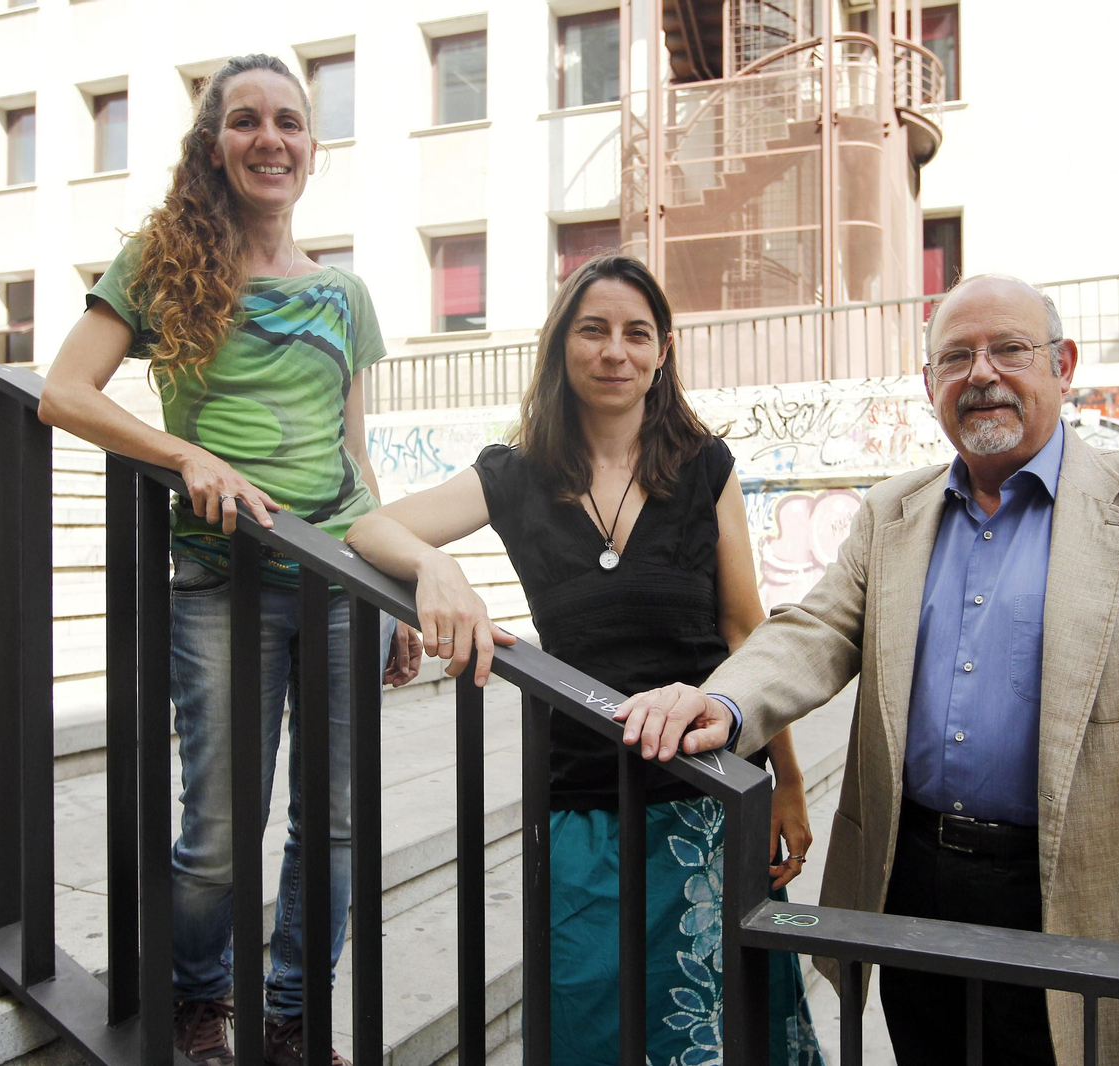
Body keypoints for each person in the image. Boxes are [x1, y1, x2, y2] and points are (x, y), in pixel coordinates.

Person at [614, 274, 1119, 1066]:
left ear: (1063, 364)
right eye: (955, 357)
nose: (982, 374)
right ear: (929, 384)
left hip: (1082, 900)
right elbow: (816, 629)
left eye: (1010, 350)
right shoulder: (892, 511)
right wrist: (724, 699)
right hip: (915, 889)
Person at [37, 54, 422, 1066]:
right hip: (221, 585)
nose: (270, 139)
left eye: (289, 123)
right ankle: (197, 1003)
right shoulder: (165, 266)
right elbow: (65, 392)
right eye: (245, 121)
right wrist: (183, 454)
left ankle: (293, 1022)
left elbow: (353, 456)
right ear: (215, 144)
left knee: (334, 829)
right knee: (215, 831)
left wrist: (398, 590)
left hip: (343, 584)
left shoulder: (345, 294)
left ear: (310, 147)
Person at [343, 254, 824, 1064]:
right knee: (589, 1020)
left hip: (707, 797)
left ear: (662, 352)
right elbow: (370, 529)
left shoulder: (706, 468)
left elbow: (748, 632)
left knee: (713, 1025)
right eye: (593, 330)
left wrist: (789, 784)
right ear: (562, 344)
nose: (615, 352)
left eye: (637, 334)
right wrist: (438, 568)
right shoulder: (517, 474)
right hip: (581, 803)